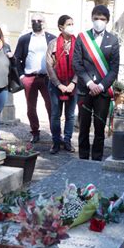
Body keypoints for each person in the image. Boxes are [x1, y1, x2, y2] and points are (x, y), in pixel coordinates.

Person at [73, 5, 119, 161]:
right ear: (92, 18)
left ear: (107, 21)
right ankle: (83, 159)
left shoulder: (112, 40)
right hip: (85, 91)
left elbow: (114, 68)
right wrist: (89, 83)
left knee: (100, 128)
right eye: (96, 18)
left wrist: (100, 86)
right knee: (84, 127)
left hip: (102, 92)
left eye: (103, 19)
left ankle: (97, 159)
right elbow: (77, 64)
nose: (99, 21)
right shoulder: (82, 37)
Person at [14, 13, 56, 143]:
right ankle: (35, 132)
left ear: (44, 22)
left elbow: (57, 59)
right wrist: (21, 76)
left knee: (51, 106)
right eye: (33, 20)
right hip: (30, 78)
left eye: (39, 20)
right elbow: (17, 58)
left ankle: (55, 134)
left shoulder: (52, 39)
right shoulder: (24, 39)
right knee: (31, 107)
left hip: (47, 78)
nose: (36, 22)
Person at [46, 15, 78, 154]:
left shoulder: (78, 43)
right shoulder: (53, 43)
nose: (71, 26)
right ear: (61, 27)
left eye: (72, 23)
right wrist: (59, 84)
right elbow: (49, 65)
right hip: (55, 85)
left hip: (72, 85)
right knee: (55, 115)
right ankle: (56, 142)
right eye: (68, 24)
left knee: (70, 115)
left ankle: (67, 141)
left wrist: (73, 83)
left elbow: (80, 64)